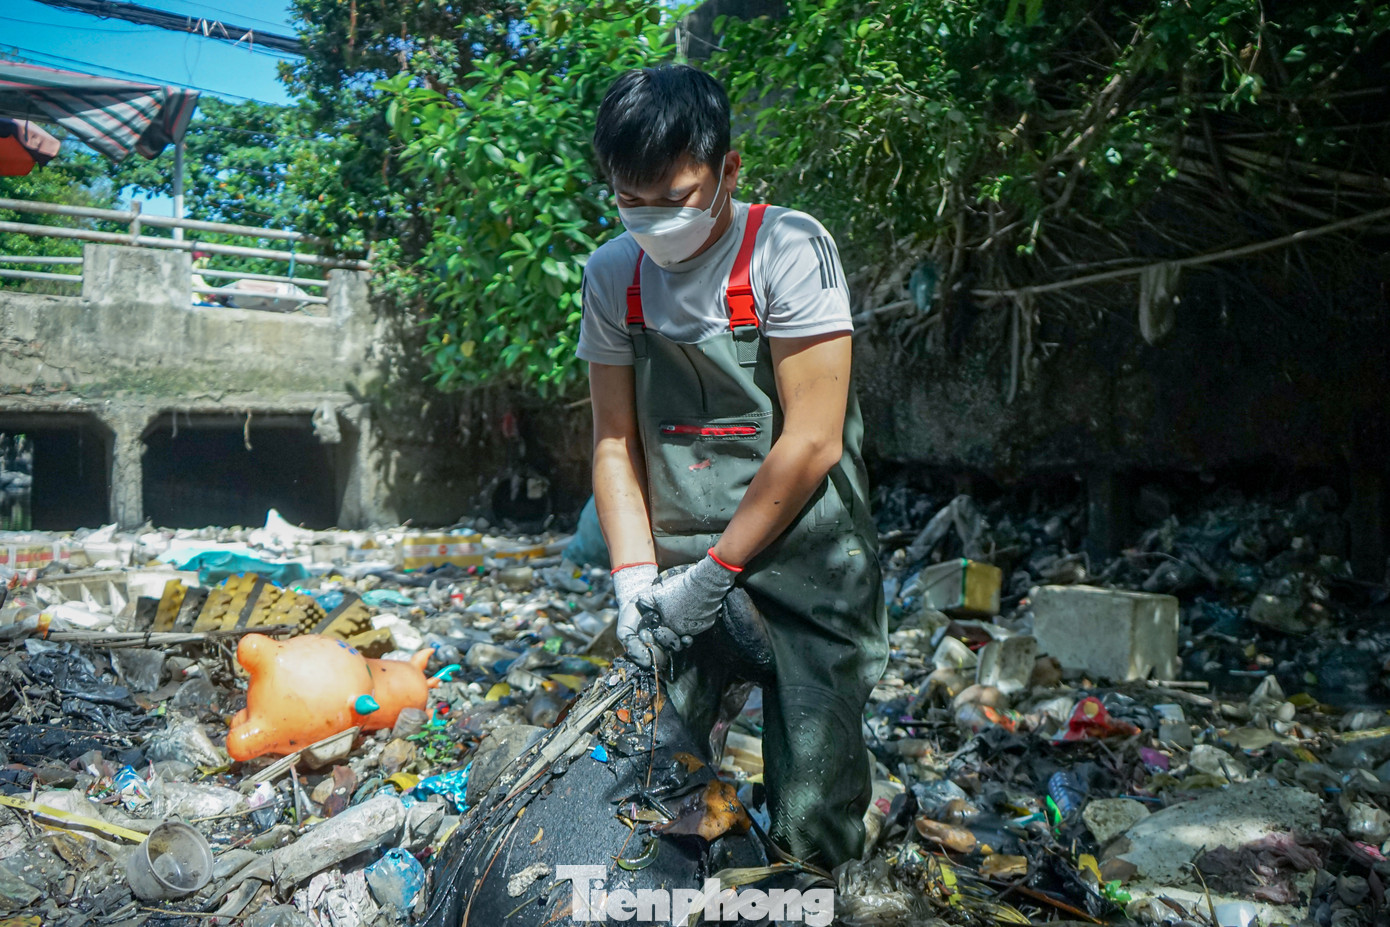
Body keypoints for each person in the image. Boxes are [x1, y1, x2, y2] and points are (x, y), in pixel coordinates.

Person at [577, 64, 889, 869]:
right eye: (629, 198)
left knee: (810, 815)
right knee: (646, 789)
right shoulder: (614, 276)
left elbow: (813, 437)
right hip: (678, 570)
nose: (653, 220)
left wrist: (720, 570)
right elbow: (615, 442)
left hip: (806, 563)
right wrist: (635, 579)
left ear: (728, 172)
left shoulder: (789, 246)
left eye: (675, 197)